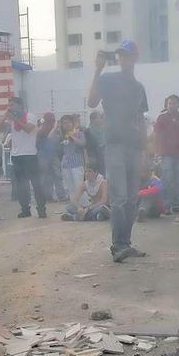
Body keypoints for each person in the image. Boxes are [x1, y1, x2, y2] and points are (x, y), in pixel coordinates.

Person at [87, 40, 150, 262]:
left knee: (132, 199)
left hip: (134, 147)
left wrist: (145, 152)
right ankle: (118, 245)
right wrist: (97, 69)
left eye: (128, 55)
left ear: (135, 58)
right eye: (121, 55)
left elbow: (141, 120)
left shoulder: (139, 88)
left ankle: (126, 242)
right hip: (114, 144)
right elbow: (91, 101)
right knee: (119, 197)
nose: (124, 59)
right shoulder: (108, 79)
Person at [0, 97, 46, 219]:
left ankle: (41, 209)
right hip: (17, 156)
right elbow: (0, 129)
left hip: (30, 155)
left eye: (12, 105)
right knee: (21, 185)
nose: (10, 107)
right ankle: (25, 209)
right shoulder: (11, 119)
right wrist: (4, 116)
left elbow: (28, 129)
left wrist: (14, 119)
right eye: (9, 105)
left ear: (20, 105)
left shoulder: (30, 116)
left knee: (36, 183)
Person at [153, 94, 179, 214]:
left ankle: (176, 204)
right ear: (167, 105)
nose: (171, 105)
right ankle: (166, 205)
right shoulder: (162, 118)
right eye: (169, 103)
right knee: (167, 179)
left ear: (178, 105)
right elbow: (156, 135)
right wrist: (157, 152)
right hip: (166, 154)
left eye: (174, 103)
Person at [57, 115, 86, 201]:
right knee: (70, 187)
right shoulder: (61, 135)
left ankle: (85, 205)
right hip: (66, 164)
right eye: (64, 123)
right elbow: (50, 139)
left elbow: (83, 144)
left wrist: (72, 136)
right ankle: (74, 205)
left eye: (68, 122)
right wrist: (56, 127)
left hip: (77, 164)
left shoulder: (79, 133)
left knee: (79, 186)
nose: (67, 124)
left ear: (72, 123)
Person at [84, 111, 106, 177]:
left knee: (103, 175)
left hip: (102, 157)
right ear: (92, 120)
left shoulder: (103, 130)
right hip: (93, 157)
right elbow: (86, 145)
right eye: (99, 118)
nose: (100, 119)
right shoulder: (87, 131)